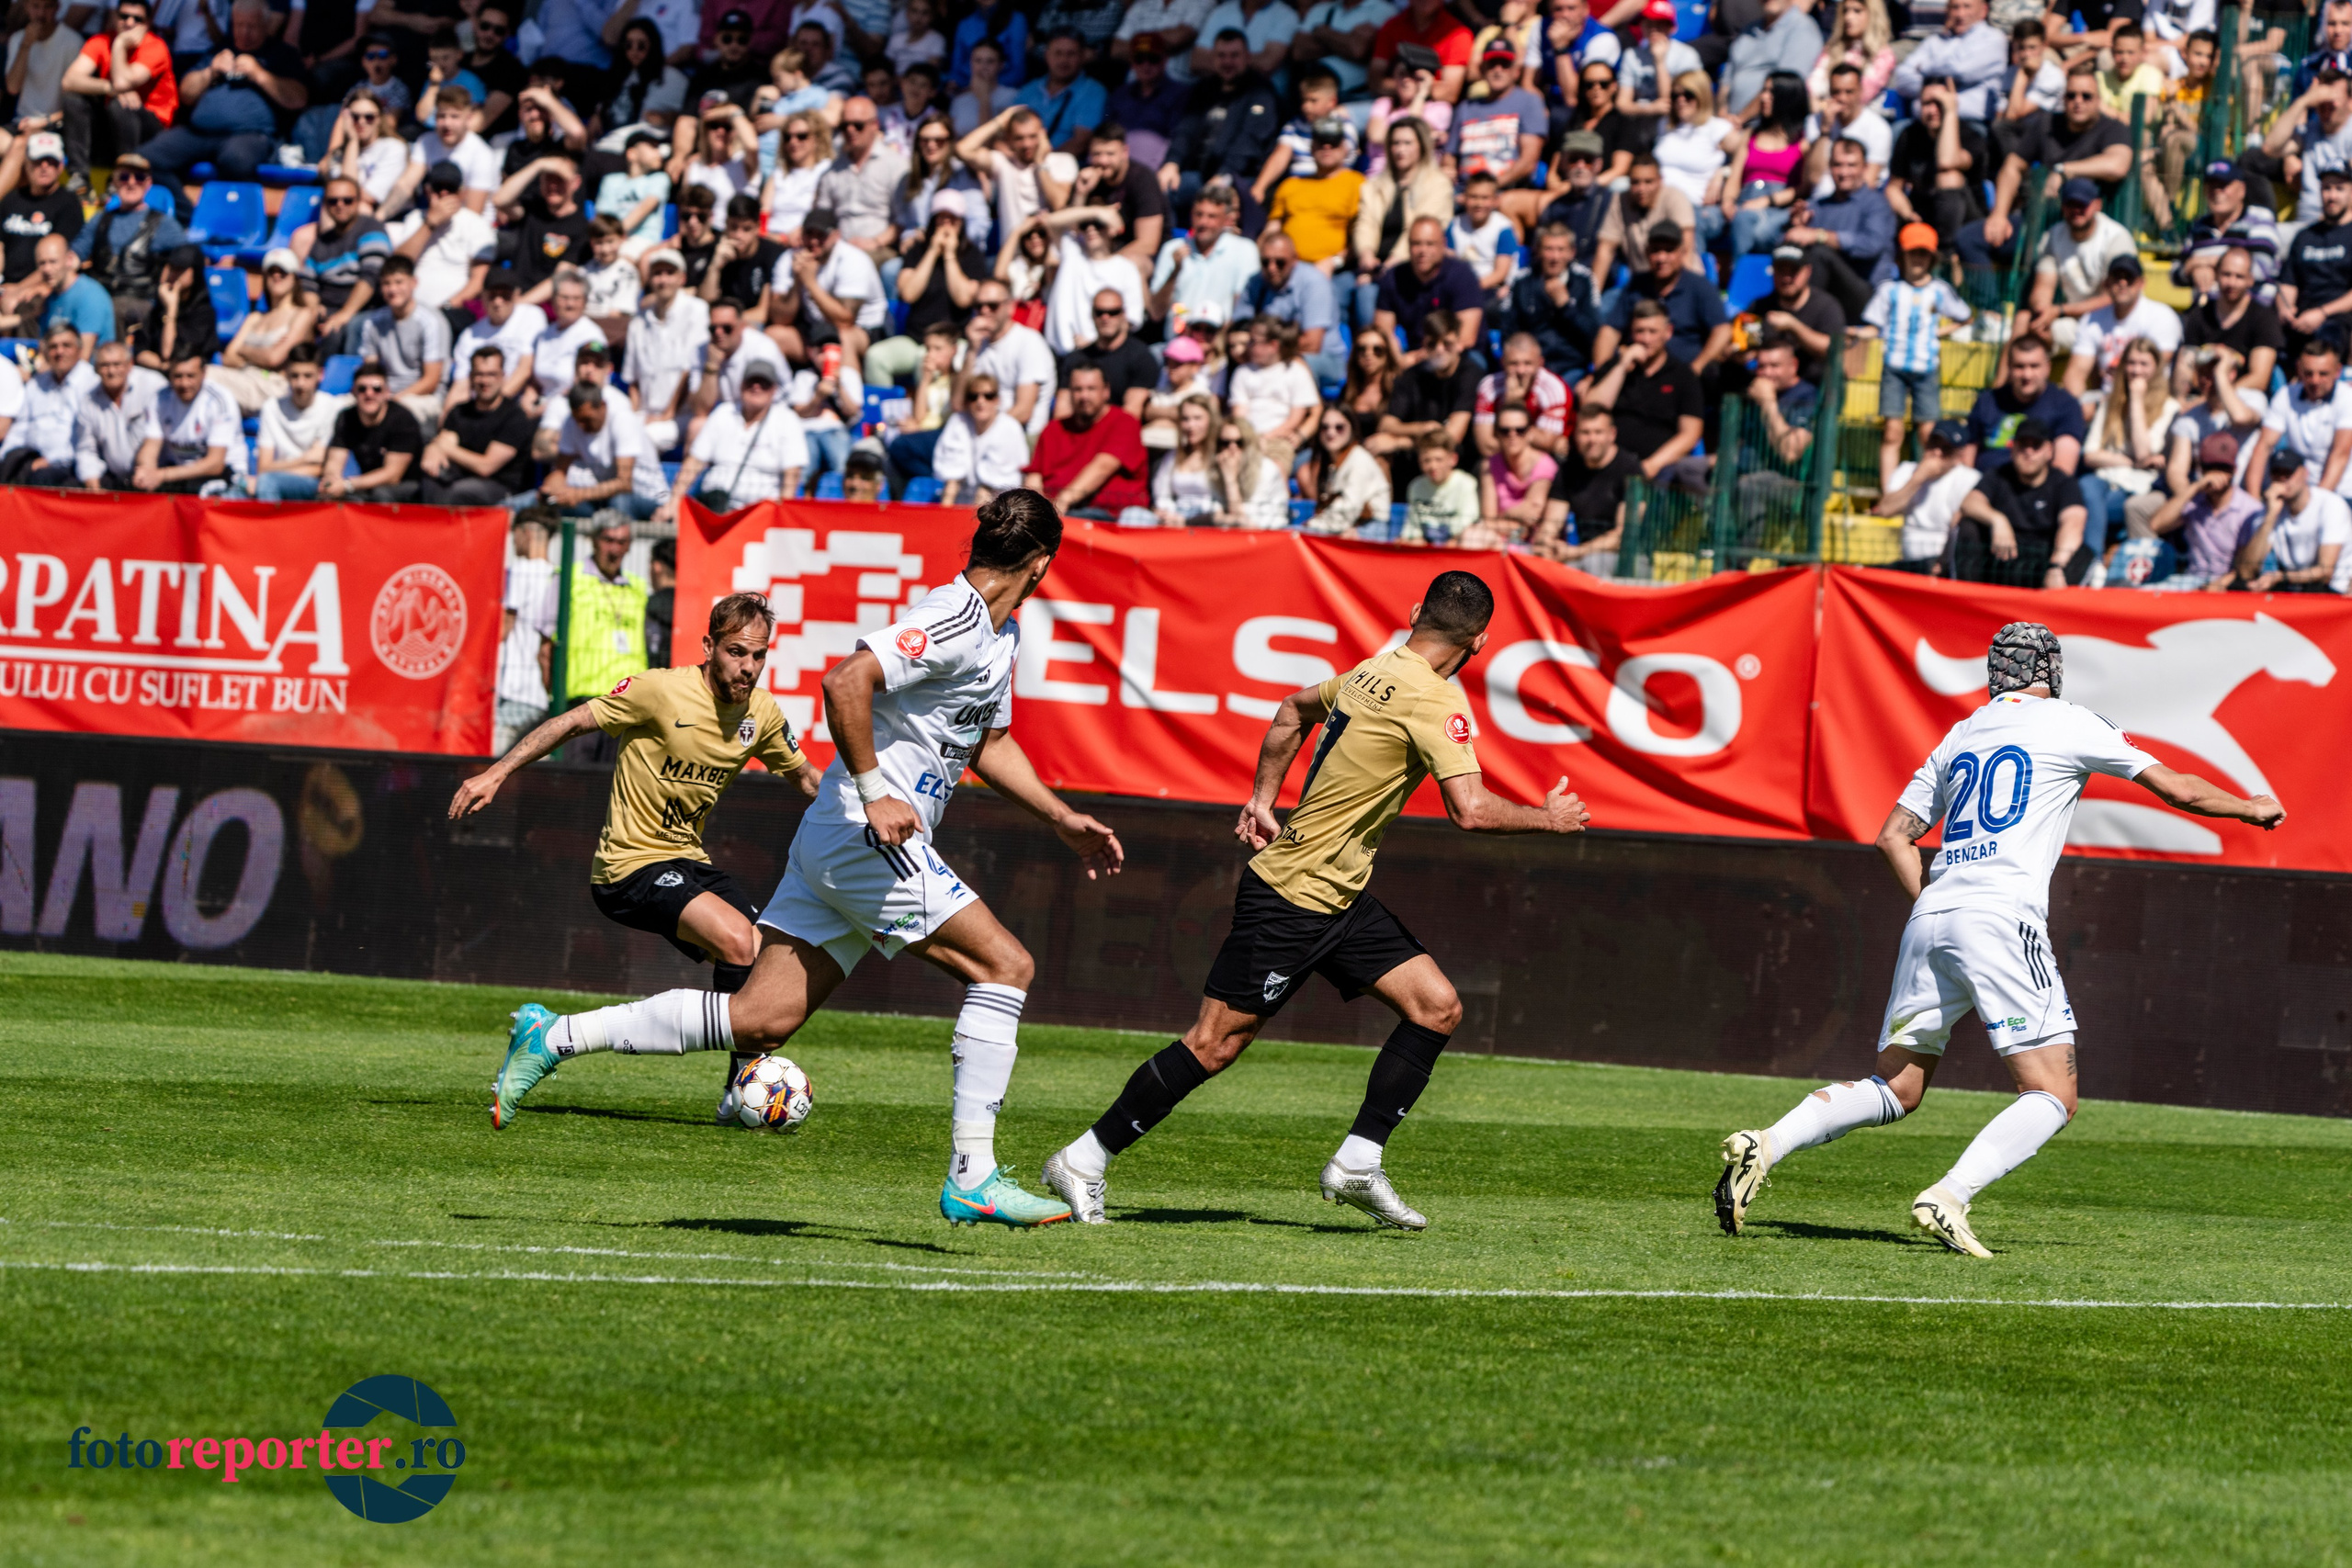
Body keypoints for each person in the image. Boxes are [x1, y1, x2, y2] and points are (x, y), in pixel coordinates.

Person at [499, 495, 1125, 1228]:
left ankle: (555, 1037)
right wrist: (874, 790)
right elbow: (844, 681)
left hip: (837, 838)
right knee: (1006, 967)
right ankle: (973, 1174)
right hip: (868, 834)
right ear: (1043, 564)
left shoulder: (999, 633)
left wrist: (1060, 817)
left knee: (760, 1020)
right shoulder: (955, 616)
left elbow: (986, 741)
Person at [1042, 571, 1589, 1228]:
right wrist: (1549, 818)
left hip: (1340, 895)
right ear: (1481, 640)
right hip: (1293, 897)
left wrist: (1262, 798)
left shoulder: (1370, 670)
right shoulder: (1435, 699)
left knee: (1436, 1006)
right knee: (1214, 1044)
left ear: (1415, 611)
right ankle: (1085, 1157)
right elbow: (1468, 811)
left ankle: (1357, 1162)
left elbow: (1289, 711)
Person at [1715, 625, 2283, 1255]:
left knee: (1895, 1089)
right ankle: (1949, 1195)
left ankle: (1767, 1141)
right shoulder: (2069, 720)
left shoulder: (1962, 733)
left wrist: (1942, 902)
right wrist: (2247, 806)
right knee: (2052, 1093)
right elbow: (2176, 786)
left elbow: (1892, 836)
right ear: (2050, 671)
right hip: (2001, 914)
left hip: (1931, 914)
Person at [454, 592, 820, 1106]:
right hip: (628, 867)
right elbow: (571, 722)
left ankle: (738, 1092)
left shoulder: (760, 713)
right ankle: (732, 1085)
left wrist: (864, 806)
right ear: (709, 646)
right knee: (738, 940)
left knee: (761, 956)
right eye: (737, 652)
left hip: (689, 861)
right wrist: (496, 773)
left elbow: (805, 777)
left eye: (759, 655)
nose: (749, 667)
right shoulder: (658, 690)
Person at [1963, 68, 2132, 276]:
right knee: (1968, 239)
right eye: (2071, 95)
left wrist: (2064, 171)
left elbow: (2118, 165)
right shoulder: (2046, 124)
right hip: (2038, 219)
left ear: (2098, 100)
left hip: (2084, 227)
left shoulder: (2112, 128)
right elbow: (2012, 166)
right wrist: (1999, 214)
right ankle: (1991, 307)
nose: (2078, 101)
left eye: (2086, 96)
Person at [139, 0, 308, 187]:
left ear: (266, 25)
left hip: (249, 135)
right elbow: (186, 94)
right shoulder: (219, 51)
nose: (244, 33)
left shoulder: (282, 54)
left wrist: (259, 74)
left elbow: (298, 99)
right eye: (239, 25)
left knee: (235, 160)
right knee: (146, 159)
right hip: (200, 133)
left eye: (252, 26)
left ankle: (238, 212)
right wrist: (210, 71)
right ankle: (186, 213)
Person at [1864, 224, 1973, 490]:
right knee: (1893, 431)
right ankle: (1889, 492)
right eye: (1913, 253)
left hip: (1926, 367)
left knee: (1928, 434)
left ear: (1932, 259)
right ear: (1902, 257)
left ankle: (1927, 491)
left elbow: (1965, 315)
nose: (1918, 259)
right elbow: (1874, 326)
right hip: (1894, 366)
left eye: (1923, 254)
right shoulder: (1888, 290)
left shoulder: (1940, 290)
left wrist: (1941, 331)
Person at [1163, 30, 1284, 231]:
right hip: (1202, 176)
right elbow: (1185, 129)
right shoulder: (1203, 89)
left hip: (1240, 178)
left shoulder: (1261, 92)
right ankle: (1172, 247)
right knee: (1165, 189)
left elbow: (1250, 142)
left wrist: (1225, 175)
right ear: (1213, 59)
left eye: (1234, 56)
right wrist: (1172, 162)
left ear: (1247, 57)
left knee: (1221, 202)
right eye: (1222, 56)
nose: (1228, 62)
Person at [1578, 298, 1703, 488]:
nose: (1646, 339)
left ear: (1667, 332)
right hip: (1607, 465)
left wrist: (1651, 465)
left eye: (1652, 331)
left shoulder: (1683, 376)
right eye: (1640, 331)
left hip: (1658, 471)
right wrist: (1622, 366)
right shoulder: (1615, 367)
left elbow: (1690, 434)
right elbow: (1591, 409)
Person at [1949, 417, 2089, 586]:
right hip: (2003, 559)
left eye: (2036, 445)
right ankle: (1969, 599)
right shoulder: (1998, 475)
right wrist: (1997, 520)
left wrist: (2056, 565)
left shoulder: (2063, 482)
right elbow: (1970, 502)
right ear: (2013, 448)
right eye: (2023, 444)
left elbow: (2074, 522)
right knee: (1968, 526)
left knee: (2082, 554)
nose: (2028, 452)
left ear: (2049, 451)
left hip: (2045, 563)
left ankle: (2058, 608)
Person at [664, 360, 809, 515]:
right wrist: (674, 502)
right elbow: (694, 461)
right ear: (741, 385)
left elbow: (792, 474)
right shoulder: (723, 413)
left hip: (761, 511)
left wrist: (782, 514)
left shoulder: (787, 419)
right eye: (751, 382)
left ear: (774, 389)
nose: (756, 387)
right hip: (715, 506)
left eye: (764, 383)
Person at [69, 155, 187, 335]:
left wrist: (170, 282)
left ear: (148, 183)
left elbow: (190, 256)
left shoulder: (162, 223)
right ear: (115, 182)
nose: (131, 183)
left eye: (139, 177)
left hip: (139, 298)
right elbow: (76, 254)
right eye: (124, 177)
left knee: (110, 310)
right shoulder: (100, 219)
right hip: (98, 292)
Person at [1590, 222, 1727, 375]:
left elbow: (1722, 330)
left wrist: (1696, 368)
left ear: (1682, 252)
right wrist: (1600, 375)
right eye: (1656, 251)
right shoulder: (1636, 285)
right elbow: (1610, 331)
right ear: (1647, 252)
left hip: (1687, 375)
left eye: (1669, 251)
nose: (1662, 258)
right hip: (1639, 374)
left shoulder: (1700, 287)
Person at [1783, 137, 1894, 321]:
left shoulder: (1877, 205)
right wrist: (1796, 228)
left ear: (1864, 168)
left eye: (1851, 165)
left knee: (1819, 253)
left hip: (1865, 294)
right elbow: (1789, 246)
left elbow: (1870, 245)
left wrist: (1819, 235)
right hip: (1825, 292)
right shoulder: (1818, 206)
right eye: (1837, 165)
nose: (1843, 172)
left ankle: (1800, 322)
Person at [60, 0, 176, 175]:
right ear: (115, 17)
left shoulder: (156, 46)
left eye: (138, 19)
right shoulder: (101, 40)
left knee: (120, 106)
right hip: (114, 123)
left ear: (148, 23)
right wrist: (110, 89)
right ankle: (79, 176)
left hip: (152, 129)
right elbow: (69, 81)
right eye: (124, 16)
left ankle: (125, 175)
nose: (129, 23)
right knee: (73, 100)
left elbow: (122, 83)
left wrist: (120, 44)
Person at [1023, 364, 1151, 521]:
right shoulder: (1053, 429)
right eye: (1078, 389)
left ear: (1106, 391)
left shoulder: (1125, 422)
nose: (1084, 396)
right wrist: (1037, 511)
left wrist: (1061, 504)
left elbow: (1103, 467)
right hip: (1057, 518)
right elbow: (1035, 476)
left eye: (1091, 389)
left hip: (1110, 517)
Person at [2134, 433, 2264, 586]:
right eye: (2211, 467)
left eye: (2224, 468)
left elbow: (2247, 565)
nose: (2217, 474)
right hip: (2192, 580)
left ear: (2234, 469)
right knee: (2147, 594)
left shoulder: (2250, 509)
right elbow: (2157, 525)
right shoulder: (2195, 500)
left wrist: (2220, 584)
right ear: (2201, 468)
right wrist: (2195, 487)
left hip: (2230, 586)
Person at [418, 344, 534, 504]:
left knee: (457, 492)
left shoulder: (514, 417)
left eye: (491, 374)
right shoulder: (459, 411)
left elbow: (486, 467)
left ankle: (439, 526)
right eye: (479, 374)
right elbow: (445, 442)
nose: (485, 381)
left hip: (501, 487)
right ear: (471, 377)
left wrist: (446, 448)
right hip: (460, 478)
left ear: (502, 376)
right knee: (429, 481)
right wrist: (434, 449)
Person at [209, 247, 318, 415]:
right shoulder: (256, 317)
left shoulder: (302, 314)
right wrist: (262, 355)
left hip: (273, 386)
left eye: (283, 272)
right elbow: (228, 357)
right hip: (243, 380)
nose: (276, 276)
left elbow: (274, 358)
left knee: (205, 376)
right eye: (271, 272)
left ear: (294, 278)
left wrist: (244, 351)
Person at [1532, 403, 1642, 571]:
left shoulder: (1631, 470)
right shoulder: (1568, 469)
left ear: (1612, 434)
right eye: (1585, 432)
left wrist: (1576, 552)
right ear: (1576, 435)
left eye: (1598, 432)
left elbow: (1623, 537)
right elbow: (1551, 523)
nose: (1592, 440)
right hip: (1578, 552)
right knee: (1533, 559)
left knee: (1592, 563)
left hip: (1625, 558)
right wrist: (1546, 544)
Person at [2244, 337, 2352, 503]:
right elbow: (2263, 446)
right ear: (2299, 369)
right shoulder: (2286, 395)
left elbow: (2340, 455)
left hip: (2340, 493)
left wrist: (2315, 505)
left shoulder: (2347, 398)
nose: (2315, 380)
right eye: (2308, 373)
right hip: (2296, 491)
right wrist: (2252, 500)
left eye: (2323, 374)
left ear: (2337, 371)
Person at [1960, 335, 2085, 477]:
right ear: (2009, 368)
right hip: (1984, 485)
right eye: (2019, 366)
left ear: (2047, 368)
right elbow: (1968, 451)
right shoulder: (1988, 400)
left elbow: (2063, 469)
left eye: (2034, 366)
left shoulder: (2065, 405)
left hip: (2035, 491)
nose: (2027, 375)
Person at [295, 175, 390, 357]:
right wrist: (314, 309)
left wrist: (344, 315)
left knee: (335, 333)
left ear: (358, 201)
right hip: (328, 309)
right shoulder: (322, 241)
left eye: (347, 200)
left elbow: (370, 277)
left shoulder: (372, 229)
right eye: (333, 201)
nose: (340, 205)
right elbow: (307, 282)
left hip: (364, 310)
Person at [1887, 79, 1990, 246]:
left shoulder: (1971, 136)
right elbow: (1893, 187)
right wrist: (1907, 213)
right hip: (1922, 217)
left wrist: (1951, 112)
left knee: (1948, 177)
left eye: (1939, 103)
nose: (1932, 110)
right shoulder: (1910, 135)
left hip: (1966, 221)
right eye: (1927, 103)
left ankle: (1945, 254)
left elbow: (1947, 161)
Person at [1374, 217, 1487, 367]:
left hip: (1458, 355)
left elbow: (1466, 338)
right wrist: (1397, 361)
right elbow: (1383, 332)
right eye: (1416, 244)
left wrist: (1419, 357)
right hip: (1415, 355)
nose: (1422, 251)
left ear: (1443, 245)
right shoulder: (1393, 278)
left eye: (1430, 244)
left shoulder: (1462, 275)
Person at [2233, 450, 2352, 592]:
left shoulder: (2331, 504)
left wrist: (2281, 577)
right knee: (2242, 588)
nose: (2282, 479)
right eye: (2277, 473)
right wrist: (2270, 517)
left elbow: (2325, 572)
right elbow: (2246, 572)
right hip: (2295, 589)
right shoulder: (2270, 509)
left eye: (2288, 473)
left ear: (2305, 473)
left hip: (2334, 592)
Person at [389, 163, 494, 322]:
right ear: (428, 191)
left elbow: (479, 280)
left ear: (462, 193)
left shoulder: (476, 224)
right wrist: (429, 224)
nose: (444, 195)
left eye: (450, 189)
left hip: (453, 311)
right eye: (438, 189)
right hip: (410, 310)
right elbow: (397, 266)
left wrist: (446, 307)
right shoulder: (415, 219)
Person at [356, 254, 450, 433]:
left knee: (401, 414)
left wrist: (393, 400)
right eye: (387, 283)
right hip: (383, 392)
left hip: (423, 397)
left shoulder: (430, 321)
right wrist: (378, 396)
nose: (393, 289)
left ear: (413, 283)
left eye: (399, 282)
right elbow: (370, 370)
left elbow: (431, 381)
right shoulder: (373, 322)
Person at [2177, 247, 2284, 402]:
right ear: (2216, 275)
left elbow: (2259, 379)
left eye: (2239, 276)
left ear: (2250, 280)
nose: (2231, 283)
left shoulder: (2264, 317)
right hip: (2201, 400)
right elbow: (2184, 369)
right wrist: (2180, 401)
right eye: (2226, 274)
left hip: (2242, 400)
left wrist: (2216, 399)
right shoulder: (2199, 314)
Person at [1500, 221, 1600, 383]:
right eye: (1549, 249)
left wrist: (1566, 306)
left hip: (1572, 368)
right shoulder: (1522, 281)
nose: (1555, 257)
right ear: (1538, 251)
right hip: (1529, 369)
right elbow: (1508, 330)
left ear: (1571, 252)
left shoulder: (1584, 281)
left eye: (1561, 250)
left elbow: (1594, 333)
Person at [962, 277, 1057, 440]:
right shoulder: (975, 345)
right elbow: (958, 404)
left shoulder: (1028, 342)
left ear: (1010, 307)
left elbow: (1023, 411)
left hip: (1023, 437)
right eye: (979, 306)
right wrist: (971, 351)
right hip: (981, 433)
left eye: (993, 306)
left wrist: (984, 436)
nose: (985, 311)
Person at [0, 323, 94, 486]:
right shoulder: (36, 384)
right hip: (32, 459)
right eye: (53, 347)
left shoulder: (91, 384)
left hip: (69, 465)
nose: (59, 352)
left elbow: (86, 439)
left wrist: (52, 460)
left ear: (79, 349)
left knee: (41, 478)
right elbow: (20, 429)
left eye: (66, 345)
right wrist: (4, 457)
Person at [2171, 163, 2282, 299]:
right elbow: (2174, 275)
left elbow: (2260, 269)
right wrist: (2193, 268)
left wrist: (2205, 264)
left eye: (2223, 186)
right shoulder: (2199, 226)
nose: (2217, 192)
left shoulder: (2259, 218)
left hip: (2254, 312)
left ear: (2242, 189)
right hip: (2207, 313)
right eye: (2211, 186)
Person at [319, 360, 424, 502]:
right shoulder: (346, 417)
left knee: (380, 494)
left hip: (410, 486)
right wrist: (330, 481)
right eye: (362, 389)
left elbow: (393, 475)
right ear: (354, 392)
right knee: (327, 494)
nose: (369, 394)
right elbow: (334, 461)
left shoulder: (402, 419)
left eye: (377, 389)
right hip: (368, 484)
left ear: (387, 392)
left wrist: (348, 484)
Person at [1888, 0, 2005, 124]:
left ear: (1983, 10)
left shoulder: (1993, 38)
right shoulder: (1935, 41)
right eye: (1955, 7)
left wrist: (1923, 69)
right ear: (1947, 10)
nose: (1960, 14)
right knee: (1898, 130)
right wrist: (1944, 86)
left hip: (1968, 123)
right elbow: (1902, 78)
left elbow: (1961, 70)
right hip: (1925, 123)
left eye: (1967, 7)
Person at [252, 344, 345, 500]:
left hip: (315, 485)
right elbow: (263, 467)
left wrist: (275, 469)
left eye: (308, 376)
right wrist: (305, 459)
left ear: (320, 374)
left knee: (266, 483)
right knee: (235, 492)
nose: (301, 384)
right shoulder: (271, 407)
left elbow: (321, 469)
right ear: (286, 374)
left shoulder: (331, 407)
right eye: (295, 376)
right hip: (277, 480)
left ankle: (268, 524)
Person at [1589, 154, 1697, 288]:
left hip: (1678, 283)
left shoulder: (1675, 198)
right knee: (1607, 306)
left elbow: (1685, 251)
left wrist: (1686, 295)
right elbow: (1605, 250)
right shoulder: (1620, 201)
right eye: (1635, 182)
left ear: (1660, 180)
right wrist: (1592, 299)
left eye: (1648, 182)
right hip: (1641, 286)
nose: (1641, 189)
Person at [2278, 167, 2352, 360]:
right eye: (2326, 188)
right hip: (2302, 318)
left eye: (2339, 189)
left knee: (2329, 336)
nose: (2332, 196)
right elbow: (2288, 283)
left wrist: (2321, 313)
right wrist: (2286, 309)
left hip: (2339, 318)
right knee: (2266, 331)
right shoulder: (2305, 236)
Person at [1055, 289, 1159, 422]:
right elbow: (1062, 411)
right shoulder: (1075, 359)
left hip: (1118, 435)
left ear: (1123, 314)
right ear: (1092, 315)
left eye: (1113, 312)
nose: (1105, 318)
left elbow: (1131, 414)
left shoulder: (1141, 357)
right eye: (1100, 312)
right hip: (1078, 434)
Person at [0, 133, 84, 295]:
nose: (44, 166)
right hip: (6, 284)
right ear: (27, 164)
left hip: (45, 287)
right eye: (38, 161)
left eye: (51, 161)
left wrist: (18, 289)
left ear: (60, 166)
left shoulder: (68, 203)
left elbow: (60, 262)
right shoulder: (11, 199)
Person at [929, 373, 1028, 506]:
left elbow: (989, 487)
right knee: (949, 491)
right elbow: (951, 482)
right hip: (961, 502)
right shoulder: (958, 422)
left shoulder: (1008, 428)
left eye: (988, 396)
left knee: (983, 494)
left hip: (1000, 506)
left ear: (997, 400)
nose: (980, 401)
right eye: (973, 396)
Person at [125, 243, 219, 375]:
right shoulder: (158, 309)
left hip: (190, 384)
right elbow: (140, 353)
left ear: (195, 272)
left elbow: (169, 354)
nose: (173, 274)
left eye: (180, 269)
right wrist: (164, 366)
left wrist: (171, 310)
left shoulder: (204, 313)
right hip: (158, 376)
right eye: (171, 267)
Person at [1468, 405, 1555, 547]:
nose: (1512, 435)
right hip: (1498, 539)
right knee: (1472, 536)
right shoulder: (1489, 465)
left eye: (1520, 430)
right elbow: (1488, 518)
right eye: (1505, 430)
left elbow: (1533, 515)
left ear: (1531, 432)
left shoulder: (1544, 464)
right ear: (1496, 433)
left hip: (1534, 544)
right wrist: (1514, 515)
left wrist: (1501, 515)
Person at [1298, 405, 1392, 535]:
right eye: (1325, 427)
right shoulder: (1331, 462)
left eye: (1339, 427)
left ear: (1352, 428)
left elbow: (1349, 509)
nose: (1331, 433)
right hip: (1342, 526)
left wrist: (1313, 526)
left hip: (1368, 529)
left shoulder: (1359, 459)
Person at [1474, 332, 1569, 458]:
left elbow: (1547, 443)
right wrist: (1510, 403)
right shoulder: (1489, 386)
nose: (1521, 370)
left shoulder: (1553, 388)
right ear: (1502, 362)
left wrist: (1516, 405)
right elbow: (1486, 446)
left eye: (1527, 363)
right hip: (1498, 462)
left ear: (1540, 363)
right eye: (1514, 363)